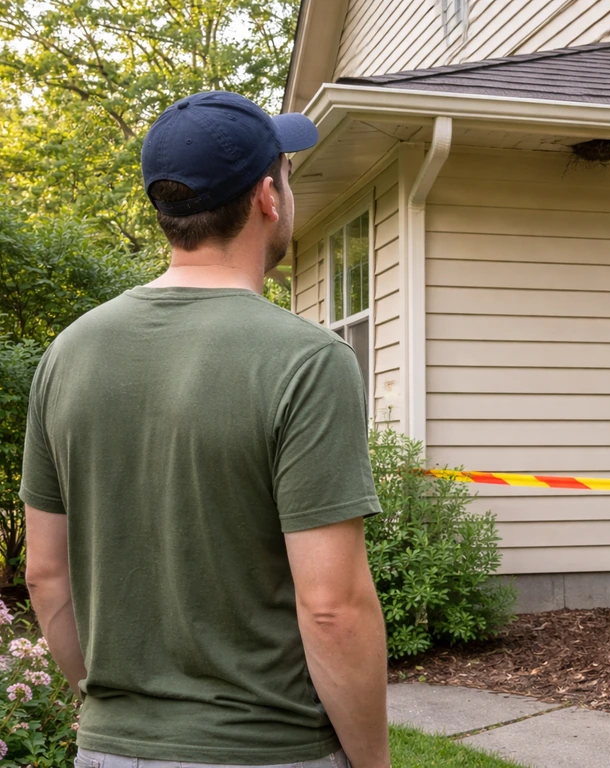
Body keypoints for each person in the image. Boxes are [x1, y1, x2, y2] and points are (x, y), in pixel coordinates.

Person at [20, 91, 390, 768]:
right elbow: (332, 607)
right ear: (267, 198)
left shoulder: (67, 354)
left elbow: (46, 574)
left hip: (108, 751)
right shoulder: (308, 362)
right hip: (266, 751)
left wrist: (112, 715)